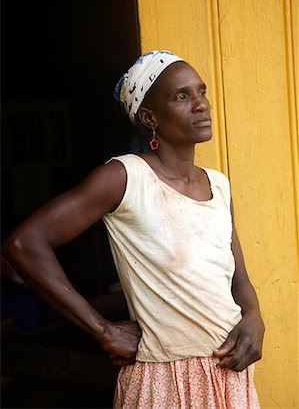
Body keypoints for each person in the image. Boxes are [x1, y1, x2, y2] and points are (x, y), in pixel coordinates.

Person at [3, 50, 265, 408]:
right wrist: (103, 330)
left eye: (201, 92)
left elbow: (239, 280)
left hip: (228, 378)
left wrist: (254, 318)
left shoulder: (217, 185)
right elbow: (24, 244)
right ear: (149, 117)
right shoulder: (125, 177)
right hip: (164, 382)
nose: (201, 104)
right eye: (182, 96)